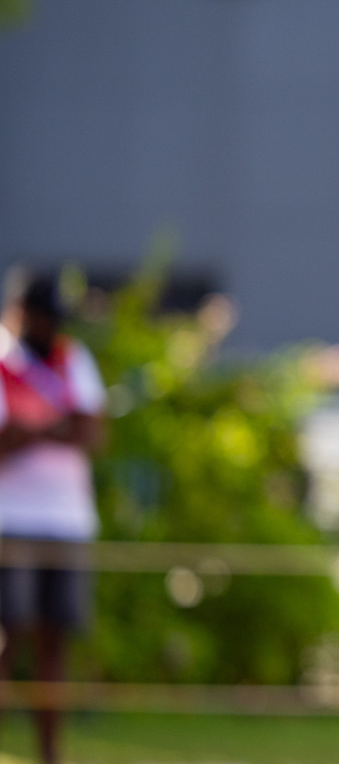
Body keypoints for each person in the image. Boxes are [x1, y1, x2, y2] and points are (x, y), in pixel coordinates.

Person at [0, 269, 107, 764]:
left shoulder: (72, 358)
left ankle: (49, 753)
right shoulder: (3, 360)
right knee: (8, 635)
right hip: (10, 521)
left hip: (67, 521)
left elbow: (92, 433)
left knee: (54, 639)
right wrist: (55, 425)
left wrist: (33, 428)